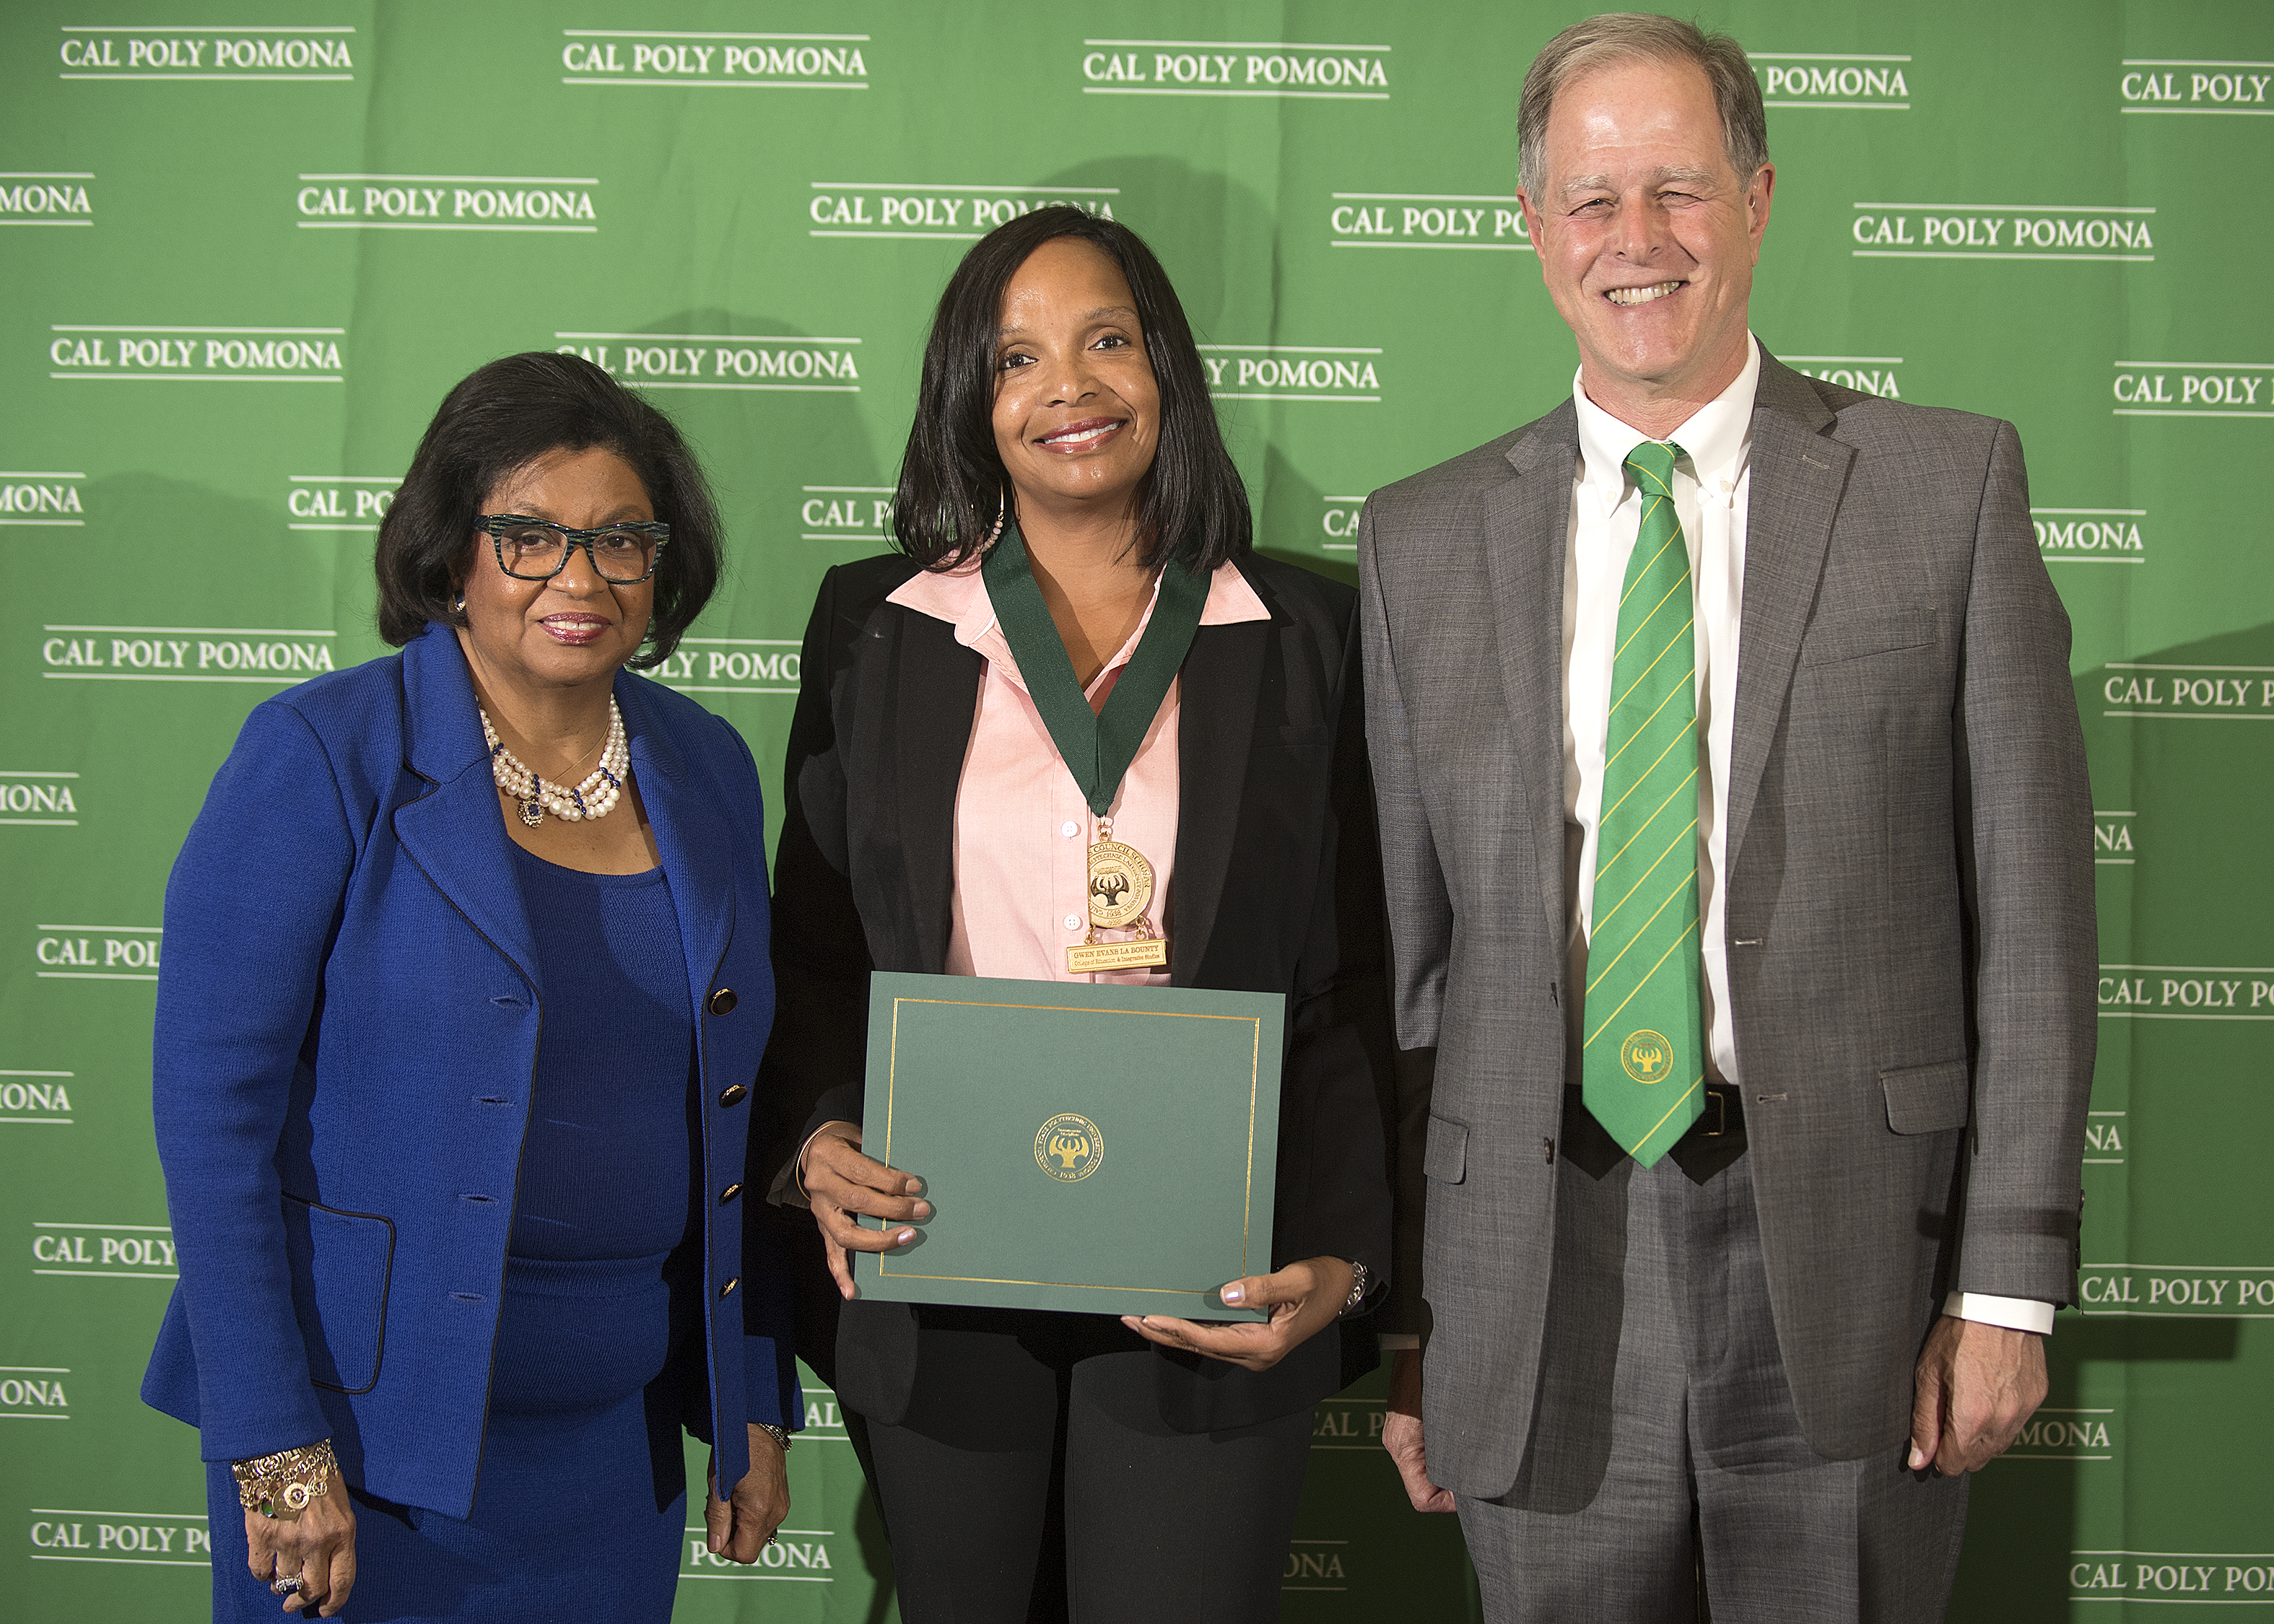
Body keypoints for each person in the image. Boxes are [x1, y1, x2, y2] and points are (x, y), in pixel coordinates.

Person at [1357, 14, 2095, 1620]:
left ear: (1756, 200)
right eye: (1591, 198)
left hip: (1858, 1265)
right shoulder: (1418, 540)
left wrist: (2008, 1288)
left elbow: (2034, 926)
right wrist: (1418, 1313)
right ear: (1535, 226)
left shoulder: (1946, 490)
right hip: (1534, 1275)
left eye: (1678, 189)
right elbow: (1417, 978)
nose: (1636, 238)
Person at [761, 206, 1395, 1621]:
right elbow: (815, 946)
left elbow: (1354, 977)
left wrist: (1346, 1259)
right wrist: (818, 1136)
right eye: (1016, 357)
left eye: (1107, 339)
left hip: (1209, 1260)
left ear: (1165, 367)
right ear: (969, 398)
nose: (1069, 387)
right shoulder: (876, 625)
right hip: (939, 1235)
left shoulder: (1307, 637)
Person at [142, 351, 801, 1620]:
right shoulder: (323, 752)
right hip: (357, 1454)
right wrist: (272, 1444)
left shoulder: (708, 763)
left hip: (617, 1459)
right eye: (529, 536)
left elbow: (742, 1102)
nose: (580, 578)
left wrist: (752, 1393)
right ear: (452, 552)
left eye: (621, 539)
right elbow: (212, 1120)